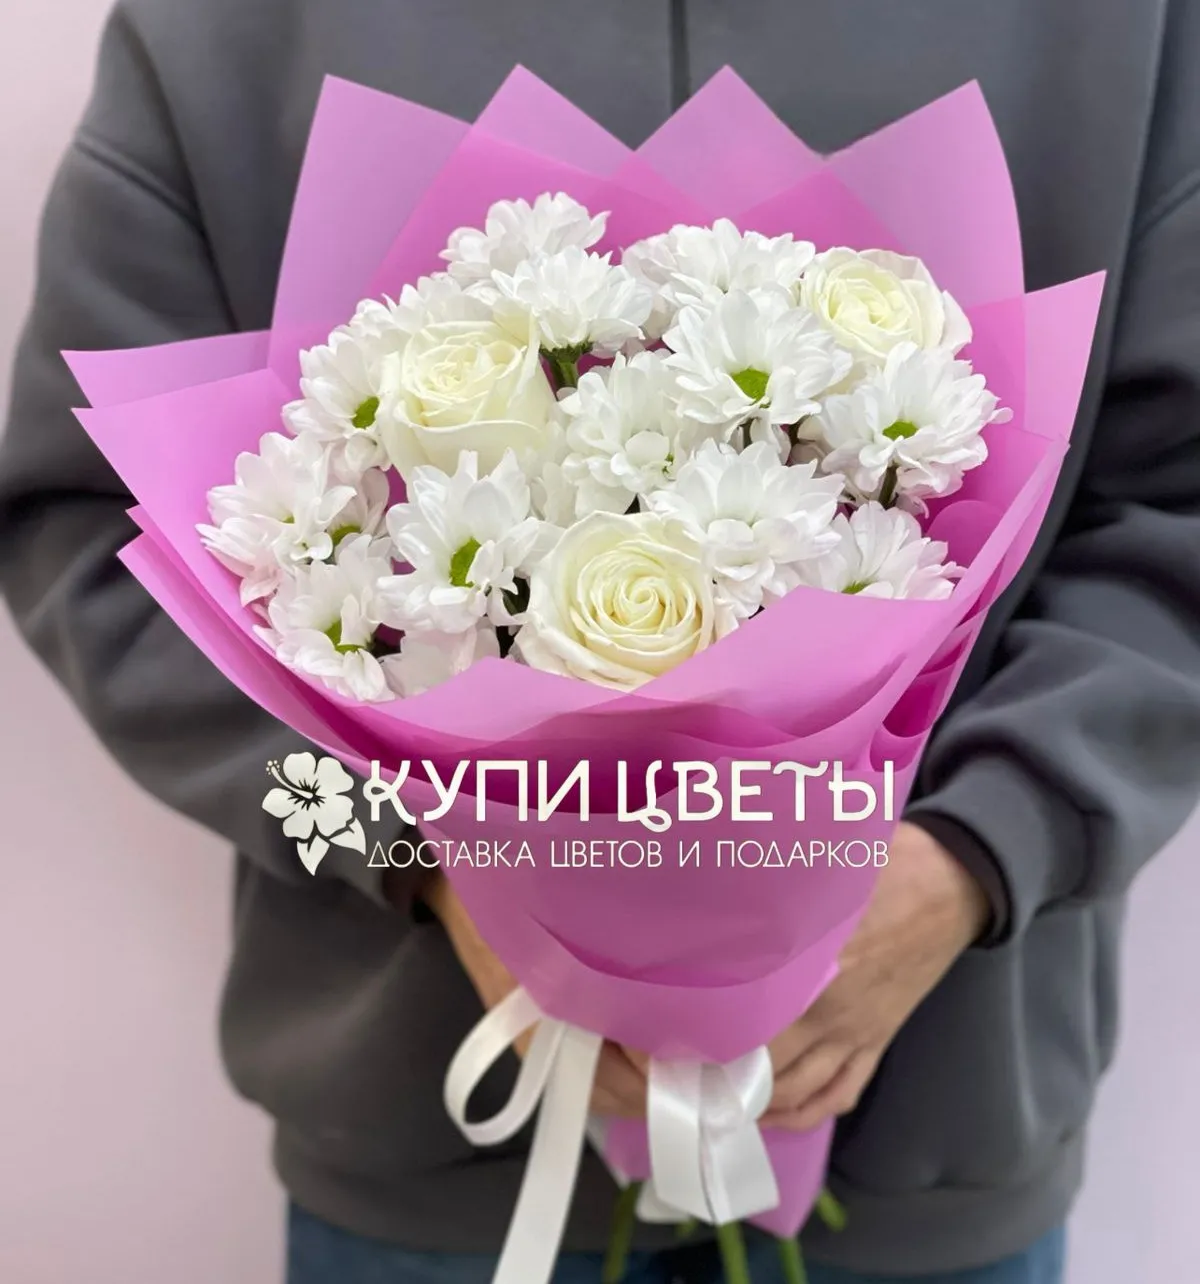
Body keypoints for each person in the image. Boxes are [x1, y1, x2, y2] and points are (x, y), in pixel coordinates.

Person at [2, 1, 1198, 1281]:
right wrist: (403, 848)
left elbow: (1175, 509)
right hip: (432, 1150)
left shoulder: (1125, 23)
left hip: (936, 1131)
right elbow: (96, 530)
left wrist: (982, 851)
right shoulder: (228, 25)